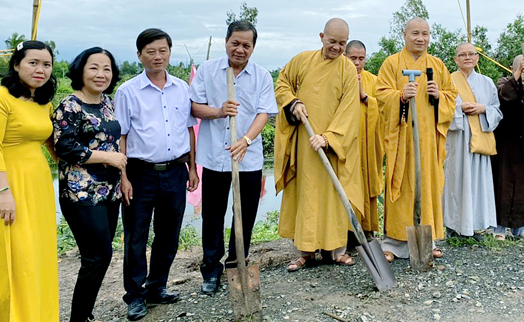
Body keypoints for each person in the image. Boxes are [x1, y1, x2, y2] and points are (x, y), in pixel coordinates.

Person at [114, 28, 199, 321]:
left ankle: (157, 287)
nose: (157, 56)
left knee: (168, 234)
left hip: (175, 171)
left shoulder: (182, 88)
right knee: (136, 236)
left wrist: (192, 168)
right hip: (140, 173)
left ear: (170, 53)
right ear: (140, 55)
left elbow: (189, 129)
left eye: (163, 50)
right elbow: (122, 136)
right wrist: (123, 177)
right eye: (150, 51)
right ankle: (135, 296)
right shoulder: (127, 91)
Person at [189, 20, 278, 294]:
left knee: (245, 215)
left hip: (248, 158)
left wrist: (246, 140)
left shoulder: (262, 76)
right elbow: (194, 107)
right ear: (226, 41)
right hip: (215, 156)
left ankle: (236, 264)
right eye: (235, 43)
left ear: (253, 47)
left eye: (246, 45)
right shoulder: (208, 70)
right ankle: (211, 270)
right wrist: (219, 111)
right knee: (212, 216)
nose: (240, 49)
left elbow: (264, 113)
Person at [0, 40, 59, 322]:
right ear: (16, 65)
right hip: (8, 184)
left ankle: (39, 314)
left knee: (38, 254)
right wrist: (3, 192)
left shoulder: (43, 102)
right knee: (15, 255)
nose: (40, 69)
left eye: (46, 64)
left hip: (38, 185)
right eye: (32, 63)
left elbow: (50, 142)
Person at [274, 18, 362, 271]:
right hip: (305, 142)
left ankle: (337, 251)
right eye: (332, 41)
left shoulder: (347, 69)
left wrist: (329, 138)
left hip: (333, 146)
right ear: (322, 37)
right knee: (306, 194)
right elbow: (282, 83)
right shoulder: (302, 60)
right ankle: (306, 252)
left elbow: (350, 109)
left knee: (334, 195)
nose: (336, 47)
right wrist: (293, 103)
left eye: (342, 43)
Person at [376, 18, 458, 261]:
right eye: (415, 33)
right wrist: (400, 96)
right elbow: (380, 95)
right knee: (401, 186)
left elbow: (452, 95)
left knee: (427, 185)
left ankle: (427, 241)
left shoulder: (437, 65)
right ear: (405, 35)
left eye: (425, 34)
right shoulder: (391, 63)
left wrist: (439, 96)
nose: (420, 38)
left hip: (428, 140)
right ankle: (393, 243)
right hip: (402, 138)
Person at [54, 47, 126, 322]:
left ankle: (84, 313)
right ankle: (79, 317)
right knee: (97, 256)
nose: (101, 74)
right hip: (81, 193)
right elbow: (65, 147)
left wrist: (122, 174)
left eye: (107, 68)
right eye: (94, 67)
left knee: (100, 256)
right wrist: (106, 157)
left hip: (109, 191)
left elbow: (115, 142)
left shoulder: (107, 102)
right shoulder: (70, 105)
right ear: (81, 71)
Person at [443, 42, 502, 239]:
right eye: (462, 55)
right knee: (456, 180)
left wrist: (482, 109)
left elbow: (497, 110)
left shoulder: (487, 82)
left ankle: (475, 226)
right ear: (455, 59)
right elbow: (440, 108)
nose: (467, 58)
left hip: (479, 138)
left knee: (478, 182)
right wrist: (458, 109)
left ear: (477, 58)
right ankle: (453, 226)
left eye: (471, 54)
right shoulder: (448, 81)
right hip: (457, 138)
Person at [492, 54, 524, 240]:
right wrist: (517, 77)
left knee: (523, 185)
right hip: (504, 142)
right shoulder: (503, 83)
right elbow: (504, 97)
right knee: (502, 182)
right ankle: (499, 227)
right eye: (520, 68)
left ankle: (521, 227)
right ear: (512, 68)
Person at [344, 39, 385, 241]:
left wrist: (365, 97)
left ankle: (367, 229)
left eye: (361, 58)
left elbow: (384, 110)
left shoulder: (374, 81)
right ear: (345, 57)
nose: (357, 63)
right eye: (353, 58)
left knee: (366, 183)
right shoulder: (338, 78)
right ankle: (344, 232)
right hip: (345, 145)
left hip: (368, 144)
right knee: (345, 185)